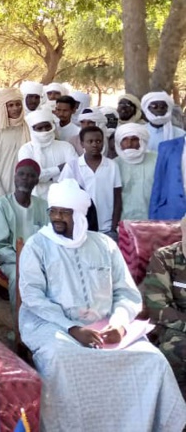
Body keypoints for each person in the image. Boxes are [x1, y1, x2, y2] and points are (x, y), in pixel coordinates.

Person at [18, 179, 186, 432]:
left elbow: (126, 293)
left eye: (65, 211)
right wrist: (72, 328)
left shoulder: (104, 245)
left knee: (152, 359)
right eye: (53, 211)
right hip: (51, 325)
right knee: (62, 360)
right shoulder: (37, 246)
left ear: (80, 214)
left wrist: (119, 324)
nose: (57, 218)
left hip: (107, 324)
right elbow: (33, 297)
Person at [0, 159, 47, 301]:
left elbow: (49, 240)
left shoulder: (43, 206)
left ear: (37, 181)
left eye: (31, 176)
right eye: (21, 174)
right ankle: (20, 322)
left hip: (39, 261)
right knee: (19, 276)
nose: (25, 179)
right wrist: (23, 261)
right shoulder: (1, 205)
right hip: (10, 261)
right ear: (15, 178)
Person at [143, 215, 186, 396]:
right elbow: (157, 307)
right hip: (175, 327)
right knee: (177, 348)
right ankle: (178, 417)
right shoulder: (164, 258)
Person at [60, 125, 122, 235]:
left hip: (106, 227)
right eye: (90, 141)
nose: (95, 144)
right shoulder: (72, 166)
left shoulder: (112, 165)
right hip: (80, 226)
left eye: (98, 141)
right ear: (82, 143)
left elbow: (117, 197)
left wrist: (113, 226)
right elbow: (64, 195)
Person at [17, 109, 77, 199]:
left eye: (47, 127)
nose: (44, 130)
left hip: (63, 198)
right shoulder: (26, 149)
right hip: (36, 199)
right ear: (32, 129)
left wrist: (46, 176)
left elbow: (75, 170)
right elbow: (30, 177)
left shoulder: (66, 147)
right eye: (39, 128)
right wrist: (59, 169)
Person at [0, 87, 30, 201]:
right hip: (2, 189)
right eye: (10, 105)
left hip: (27, 188)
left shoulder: (29, 127)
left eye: (18, 104)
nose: (15, 108)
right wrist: (0, 193)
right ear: (4, 108)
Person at [114, 123, 156, 220]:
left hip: (152, 220)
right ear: (119, 143)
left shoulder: (157, 160)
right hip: (123, 221)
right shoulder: (113, 165)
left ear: (142, 141)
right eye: (124, 139)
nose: (129, 144)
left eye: (134, 139)